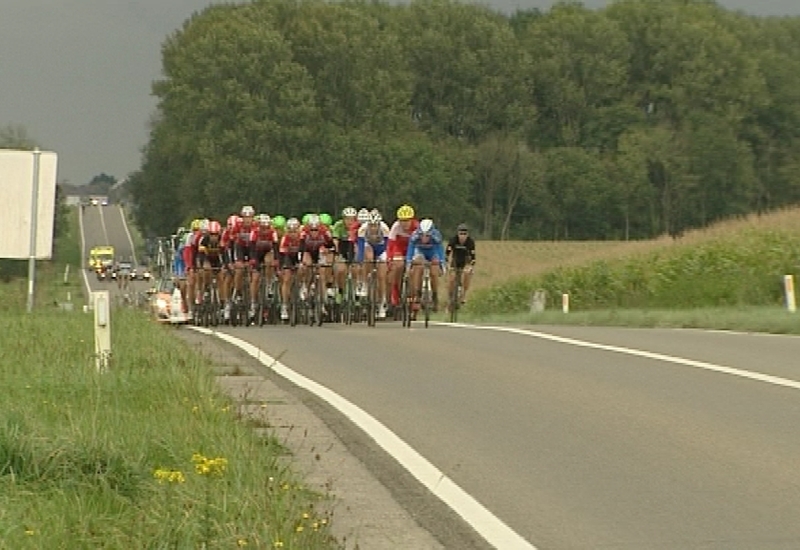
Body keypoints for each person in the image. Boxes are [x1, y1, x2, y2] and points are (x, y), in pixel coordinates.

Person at [356, 209, 391, 318]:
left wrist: (386, 261)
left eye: (375, 225)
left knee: (381, 277)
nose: (373, 228)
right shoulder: (362, 230)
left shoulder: (385, 229)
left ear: (379, 224)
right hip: (369, 248)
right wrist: (361, 262)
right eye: (371, 225)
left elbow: (388, 248)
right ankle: (365, 284)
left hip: (381, 250)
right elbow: (361, 249)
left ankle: (381, 304)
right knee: (368, 257)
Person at [406, 218, 445, 312]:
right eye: (422, 235)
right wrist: (409, 263)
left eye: (427, 236)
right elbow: (410, 251)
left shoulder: (436, 236)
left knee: (434, 272)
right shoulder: (414, 236)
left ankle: (435, 296)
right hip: (420, 253)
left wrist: (441, 264)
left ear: (431, 234)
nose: (424, 238)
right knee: (418, 267)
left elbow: (440, 252)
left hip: (433, 253)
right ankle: (417, 293)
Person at [387, 204, 419, 309]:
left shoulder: (417, 227)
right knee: (397, 267)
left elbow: (420, 246)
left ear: (412, 220)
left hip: (414, 248)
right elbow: (390, 245)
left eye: (407, 221)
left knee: (414, 270)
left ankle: (415, 296)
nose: (404, 224)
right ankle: (397, 293)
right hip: (399, 249)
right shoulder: (396, 227)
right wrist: (390, 259)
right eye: (402, 221)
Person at [278, 217, 303, 320]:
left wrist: (300, 263)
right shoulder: (285, 239)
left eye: (295, 231)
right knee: (287, 279)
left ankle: (302, 286)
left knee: (303, 268)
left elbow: (305, 251)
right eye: (290, 232)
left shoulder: (302, 237)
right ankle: (284, 305)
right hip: (288, 257)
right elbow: (282, 254)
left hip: (299, 256)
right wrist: (281, 268)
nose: (293, 234)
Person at [445, 223, 476, 306]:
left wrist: (471, 266)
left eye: (464, 234)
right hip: (455, 262)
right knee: (451, 279)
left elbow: (473, 256)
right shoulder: (453, 240)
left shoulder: (470, 242)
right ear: (458, 234)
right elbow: (447, 252)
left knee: (466, 274)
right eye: (461, 234)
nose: (462, 236)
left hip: (465, 262)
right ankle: (450, 296)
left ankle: (464, 294)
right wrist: (446, 261)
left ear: (467, 235)